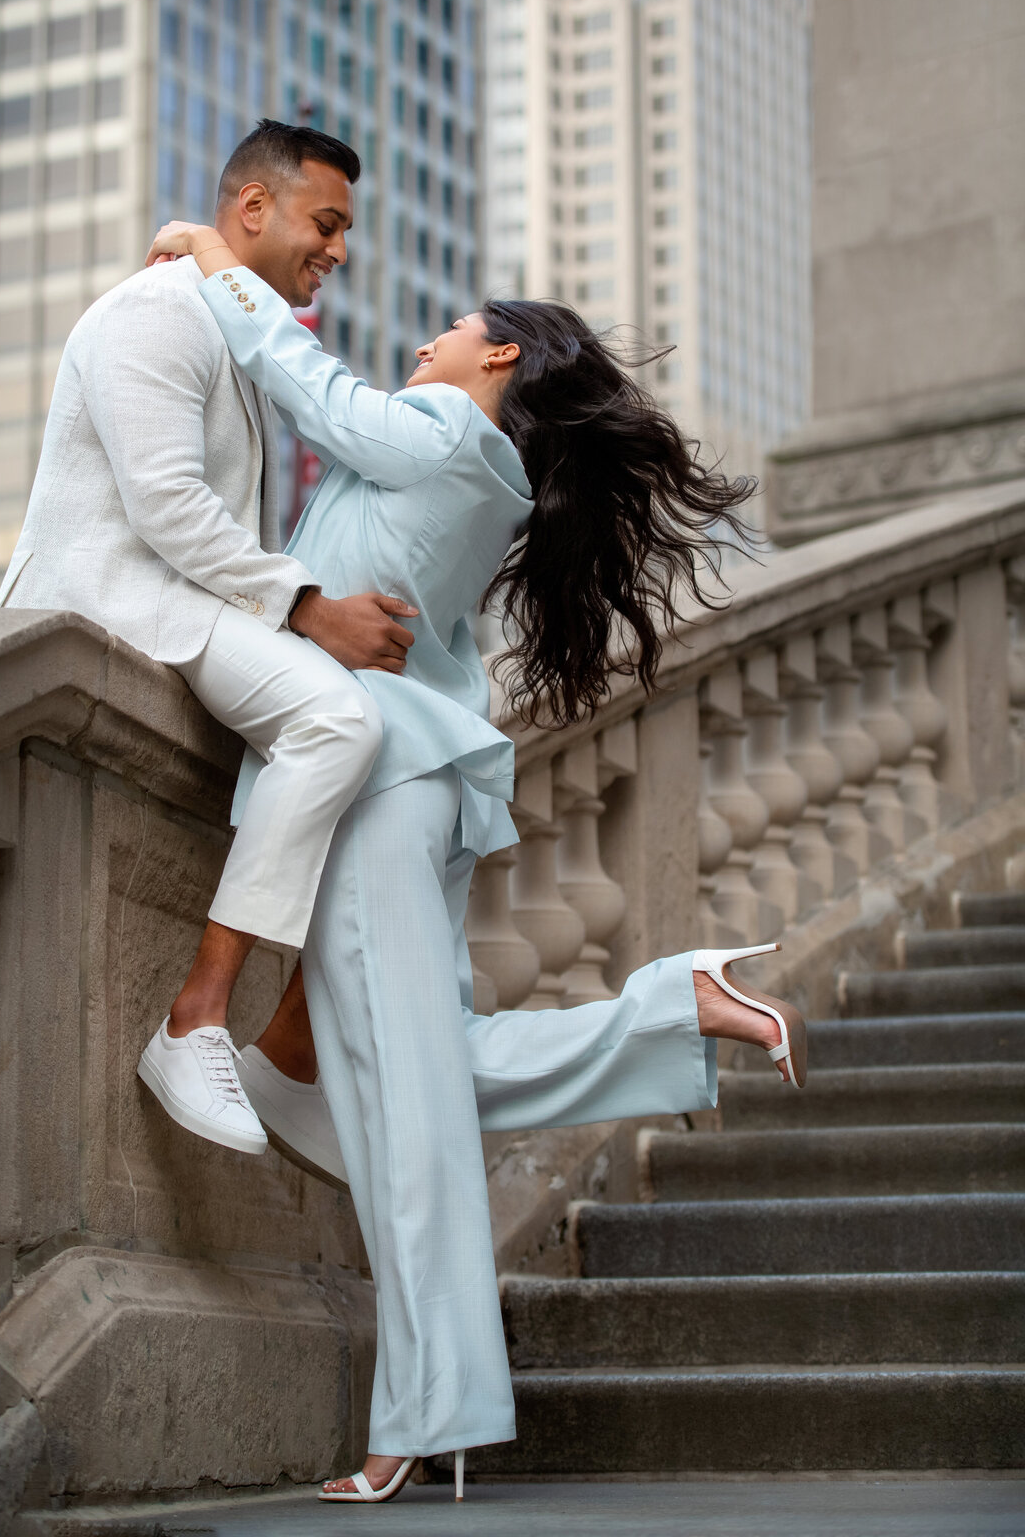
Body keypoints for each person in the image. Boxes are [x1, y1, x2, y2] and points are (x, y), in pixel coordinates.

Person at [144, 218, 809, 1504]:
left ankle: (426, 1412)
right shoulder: (471, 477)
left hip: (388, 789)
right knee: (421, 1076)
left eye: (446, 329)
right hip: (417, 784)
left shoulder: (455, 437)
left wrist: (209, 260)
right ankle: (678, 1003)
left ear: (497, 357)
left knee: (406, 1108)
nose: (421, 339)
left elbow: (311, 390)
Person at [0, 120, 420, 1161]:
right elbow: (167, 506)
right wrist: (309, 606)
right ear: (255, 210)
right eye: (327, 223)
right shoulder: (152, 312)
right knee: (335, 718)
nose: (341, 251)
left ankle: (279, 1042)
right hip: (111, 599)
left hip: (177, 607)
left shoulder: (224, 319)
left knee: (369, 734)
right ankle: (198, 1020)